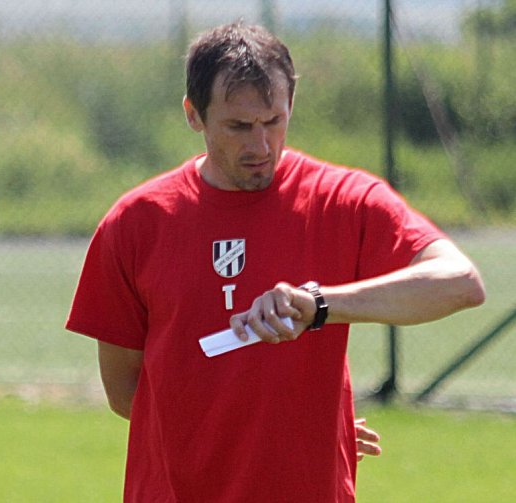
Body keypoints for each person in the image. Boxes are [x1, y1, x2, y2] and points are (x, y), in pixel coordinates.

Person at [66, 21, 484, 502]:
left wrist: (320, 304)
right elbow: (126, 393)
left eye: (273, 121)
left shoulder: (341, 200)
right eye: (239, 126)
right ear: (193, 114)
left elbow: (459, 282)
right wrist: (257, 431)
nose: (260, 146)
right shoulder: (136, 222)